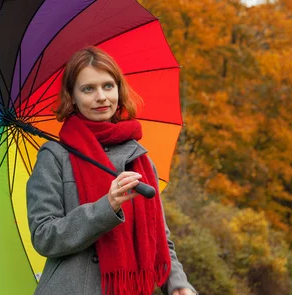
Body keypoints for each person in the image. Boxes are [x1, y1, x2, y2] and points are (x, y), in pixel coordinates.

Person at [26, 46, 197, 295]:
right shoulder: (55, 156)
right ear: (72, 96)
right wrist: (106, 207)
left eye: (108, 86)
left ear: (119, 88)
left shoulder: (138, 157)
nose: (101, 97)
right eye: (88, 89)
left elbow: (159, 236)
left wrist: (178, 284)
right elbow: (44, 236)